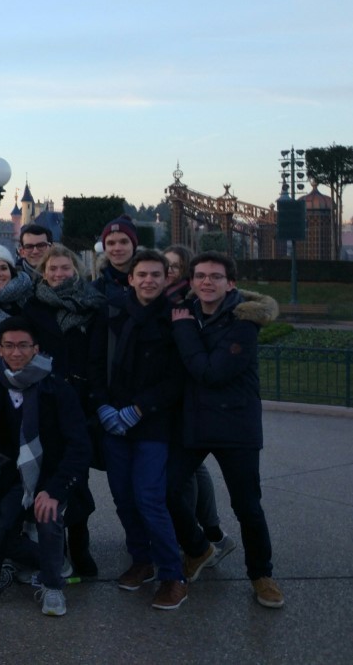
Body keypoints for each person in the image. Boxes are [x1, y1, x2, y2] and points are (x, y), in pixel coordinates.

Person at [168, 252, 284, 609]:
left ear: (230, 284)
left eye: (215, 276)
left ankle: (261, 574)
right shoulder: (186, 311)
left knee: (247, 505)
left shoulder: (243, 322)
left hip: (235, 425)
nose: (207, 282)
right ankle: (198, 548)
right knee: (165, 488)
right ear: (191, 281)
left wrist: (184, 330)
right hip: (195, 420)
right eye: (200, 276)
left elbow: (211, 373)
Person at [93, 250, 188, 610]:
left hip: (153, 422)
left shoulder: (176, 318)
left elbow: (178, 377)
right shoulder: (111, 312)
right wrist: (102, 405)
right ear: (130, 279)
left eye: (155, 275)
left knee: (149, 497)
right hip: (113, 419)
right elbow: (94, 362)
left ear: (166, 279)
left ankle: (173, 575)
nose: (148, 281)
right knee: (123, 496)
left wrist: (139, 409)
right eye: (142, 275)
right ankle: (141, 559)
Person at [0, 316, 91, 617]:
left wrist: (54, 490)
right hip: (16, 477)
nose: (16, 353)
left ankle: (53, 585)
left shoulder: (57, 388)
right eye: (9, 346)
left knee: (47, 514)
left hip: (54, 475)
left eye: (23, 346)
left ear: (36, 349)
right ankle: (50, 559)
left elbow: (80, 447)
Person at [23, 244, 107, 577]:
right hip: (47, 399)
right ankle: (55, 547)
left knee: (78, 474)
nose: (59, 274)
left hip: (81, 399)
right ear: (43, 273)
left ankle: (80, 543)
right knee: (49, 472)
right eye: (52, 269)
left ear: (76, 270)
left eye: (64, 268)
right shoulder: (33, 306)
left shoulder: (93, 305)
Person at [164, 244, 235, 562]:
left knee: (188, 472)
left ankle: (203, 534)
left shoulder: (191, 306)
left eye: (175, 266)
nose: (169, 272)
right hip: (173, 393)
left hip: (190, 394)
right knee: (186, 469)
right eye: (165, 266)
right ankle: (207, 533)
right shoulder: (165, 300)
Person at [92, 216, 139, 308]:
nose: (117, 248)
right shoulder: (94, 290)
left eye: (124, 242)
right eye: (111, 243)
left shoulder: (150, 283)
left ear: (133, 245)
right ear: (105, 248)